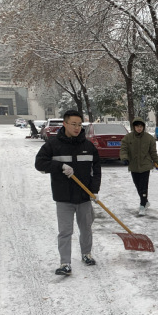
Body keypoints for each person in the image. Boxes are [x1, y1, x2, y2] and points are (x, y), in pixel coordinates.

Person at [35, 110, 101, 276]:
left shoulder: (88, 146)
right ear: (65, 124)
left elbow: (96, 170)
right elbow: (39, 163)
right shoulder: (53, 145)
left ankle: (86, 254)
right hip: (63, 197)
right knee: (65, 231)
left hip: (84, 196)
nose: (77, 128)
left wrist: (94, 190)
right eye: (73, 124)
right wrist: (60, 166)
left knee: (86, 228)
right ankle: (65, 263)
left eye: (79, 125)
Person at [120, 117, 158, 216]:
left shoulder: (149, 138)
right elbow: (123, 149)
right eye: (137, 126)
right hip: (133, 165)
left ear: (143, 127)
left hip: (145, 165)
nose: (139, 128)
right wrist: (124, 158)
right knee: (138, 185)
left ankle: (142, 205)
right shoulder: (128, 138)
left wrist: (157, 163)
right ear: (134, 127)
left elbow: (153, 152)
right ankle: (145, 201)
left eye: (141, 126)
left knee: (143, 186)